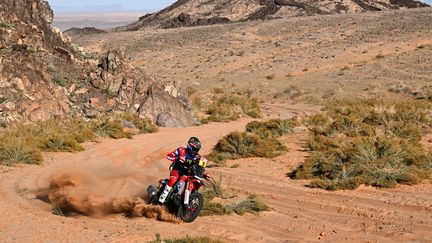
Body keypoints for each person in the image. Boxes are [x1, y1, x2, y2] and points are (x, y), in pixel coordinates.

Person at [158, 137, 203, 204]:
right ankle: (161, 199)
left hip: (188, 174)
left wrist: (204, 174)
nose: (195, 151)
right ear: (190, 146)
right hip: (177, 170)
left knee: (196, 184)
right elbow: (169, 156)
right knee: (173, 179)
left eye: (197, 149)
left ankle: (190, 202)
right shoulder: (181, 150)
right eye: (194, 149)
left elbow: (201, 167)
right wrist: (177, 158)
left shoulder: (198, 157)